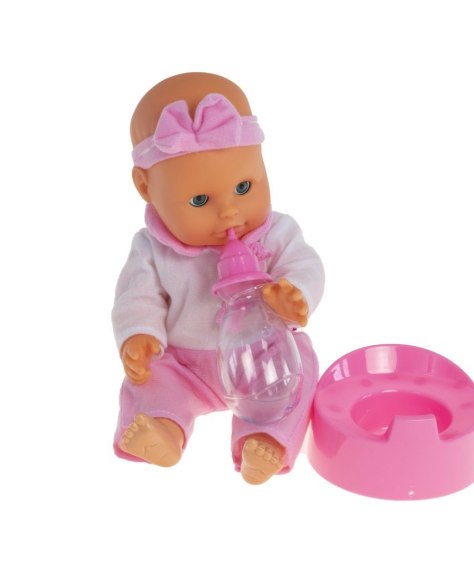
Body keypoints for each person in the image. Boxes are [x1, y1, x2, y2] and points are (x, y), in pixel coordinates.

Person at [112, 72, 324, 484]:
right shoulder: (151, 249)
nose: (229, 211)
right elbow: (136, 298)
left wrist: (293, 295)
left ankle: (263, 440)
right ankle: (164, 428)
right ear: (146, 187)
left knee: (303, 360)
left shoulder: (276, 232)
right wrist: (138, 336)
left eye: (244, 186)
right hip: (185, 365)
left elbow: (306, 266)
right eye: (199, 200)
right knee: (151, 375)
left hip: (264, 358)